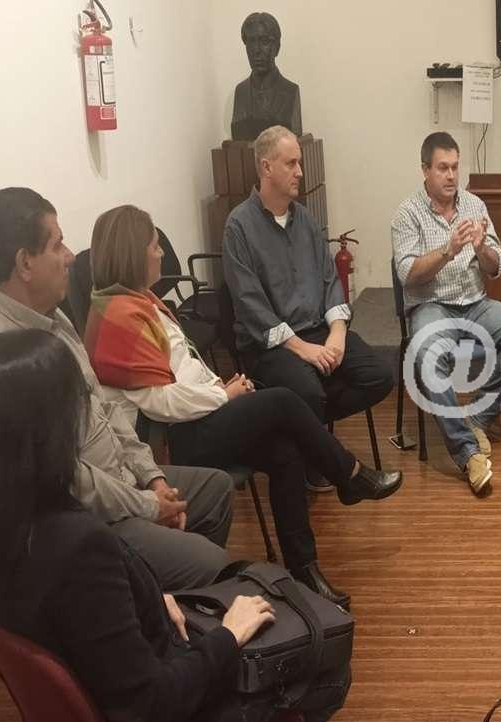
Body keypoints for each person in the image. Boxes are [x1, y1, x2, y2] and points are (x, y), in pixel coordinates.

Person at [0, 330, 349, 722]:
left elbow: (81, 620)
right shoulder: (79, 548)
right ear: (52, 430)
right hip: (171, 707)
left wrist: (147, 600)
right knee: (329, 668)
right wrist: (229, 635)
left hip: (113, 674)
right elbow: (151, 707)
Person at [84, 204, 403, 610]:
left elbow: (180, 371)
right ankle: (349, 474)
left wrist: (219, 385)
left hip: (195, 418)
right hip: (168, 444)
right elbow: (161, 402)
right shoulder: (118, 318)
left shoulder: (138, 302)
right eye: (153, 246)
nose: (161, 253)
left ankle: (304, 570)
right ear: (132, 254)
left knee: (285, 450)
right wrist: (225, 396)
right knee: (283, 401)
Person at [0, 187, 233, 590]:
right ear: (25, 263)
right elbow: (62, 480)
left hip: (118, 484)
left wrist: (151, 477)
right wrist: (147, 506)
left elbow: (104, 406)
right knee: (211, 563)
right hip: (71, 524)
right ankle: (150, 606)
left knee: (215, 491)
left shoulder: (50, 317)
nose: (70, 257)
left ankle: (163, 603)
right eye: (57, 245)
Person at [223, 126, 394, 461]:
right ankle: (316, 450)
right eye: (291, 163)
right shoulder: (238, 227)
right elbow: (250, 306)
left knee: (379, 376)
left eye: (299, 162)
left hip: (317, 329)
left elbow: (330, 280)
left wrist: (337, 335)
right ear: (266, 167)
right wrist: (304, 350)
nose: (300, 172)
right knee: (309, 392)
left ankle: (300, 431)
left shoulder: (306, 220)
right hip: (271, 345)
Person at [392, 131, 501, 497]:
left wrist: (481, 247)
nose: (451, 176)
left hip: (475, 304)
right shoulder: (407, 214)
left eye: (455, 167)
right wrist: (448, 250)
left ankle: (475, 418)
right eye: (443, 168)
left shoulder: (475, 205)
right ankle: (467, 452)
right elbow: (407, 274)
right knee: (427, 354)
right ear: (425, 170)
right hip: (432, 306)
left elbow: (496, 266)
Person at [231, 12, 302, 141]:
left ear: (277, 47)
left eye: (264, 41)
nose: (257, 50)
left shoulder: (290, 92)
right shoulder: (241, 92)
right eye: (251, 42)